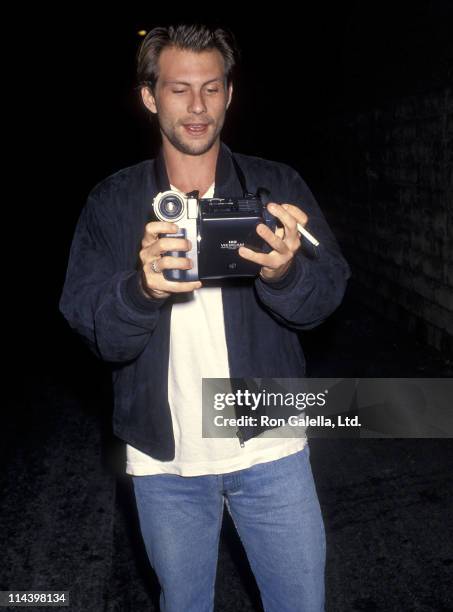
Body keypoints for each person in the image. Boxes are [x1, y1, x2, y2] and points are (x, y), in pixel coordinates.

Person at [59, 22, 350, 612]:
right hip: (164, 461)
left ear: (229, 94)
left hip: (271, 449)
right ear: (149, 96)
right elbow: (96, 330)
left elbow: (329, 293)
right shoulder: (111, 203)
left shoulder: (277, 187)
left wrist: (286, 274)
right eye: (178, 89)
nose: (197, 107)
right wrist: (140, 290)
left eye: (211, 88)